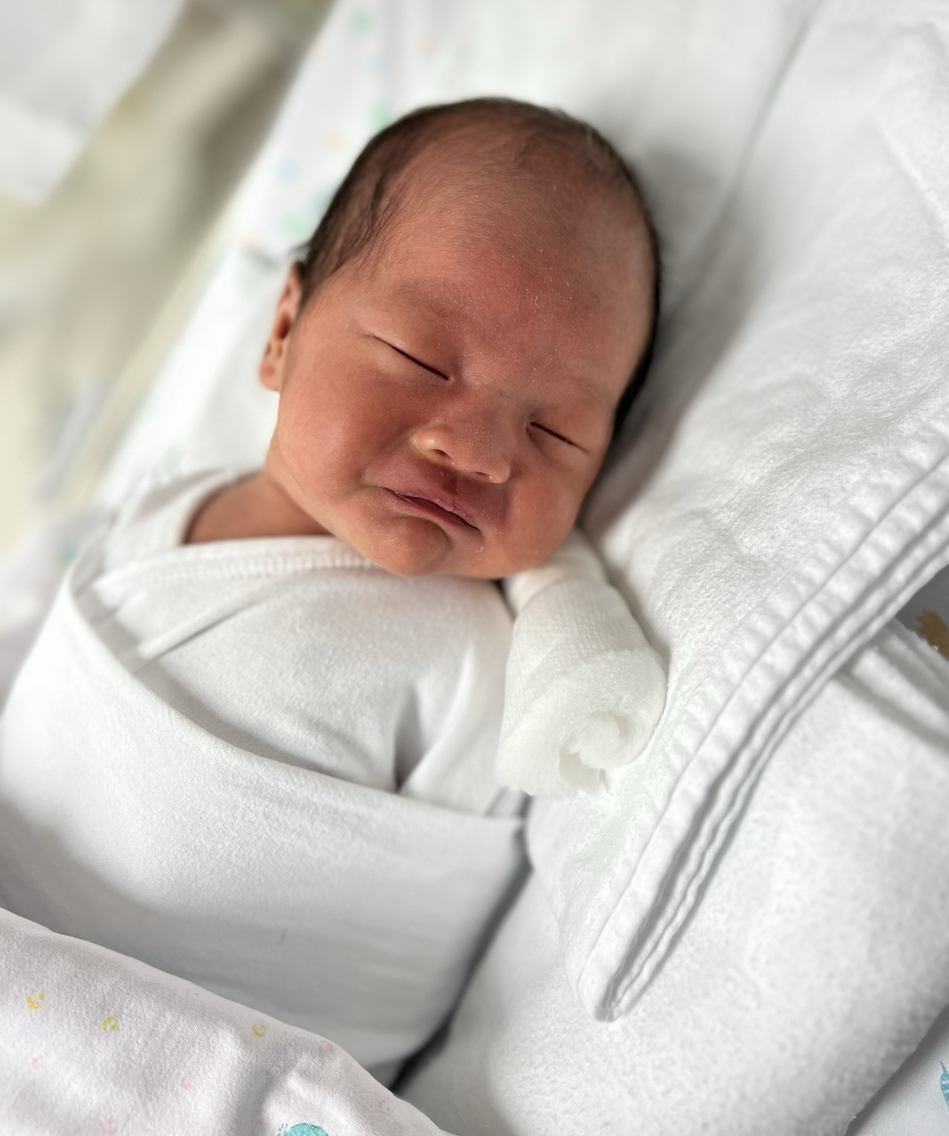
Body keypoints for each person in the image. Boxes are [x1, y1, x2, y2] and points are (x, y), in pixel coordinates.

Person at [0, 97, 660, 1082]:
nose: (477, 449)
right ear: (282, 330)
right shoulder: (164, 505)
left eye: (555, 431)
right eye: (422, 359)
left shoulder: (478, 662)